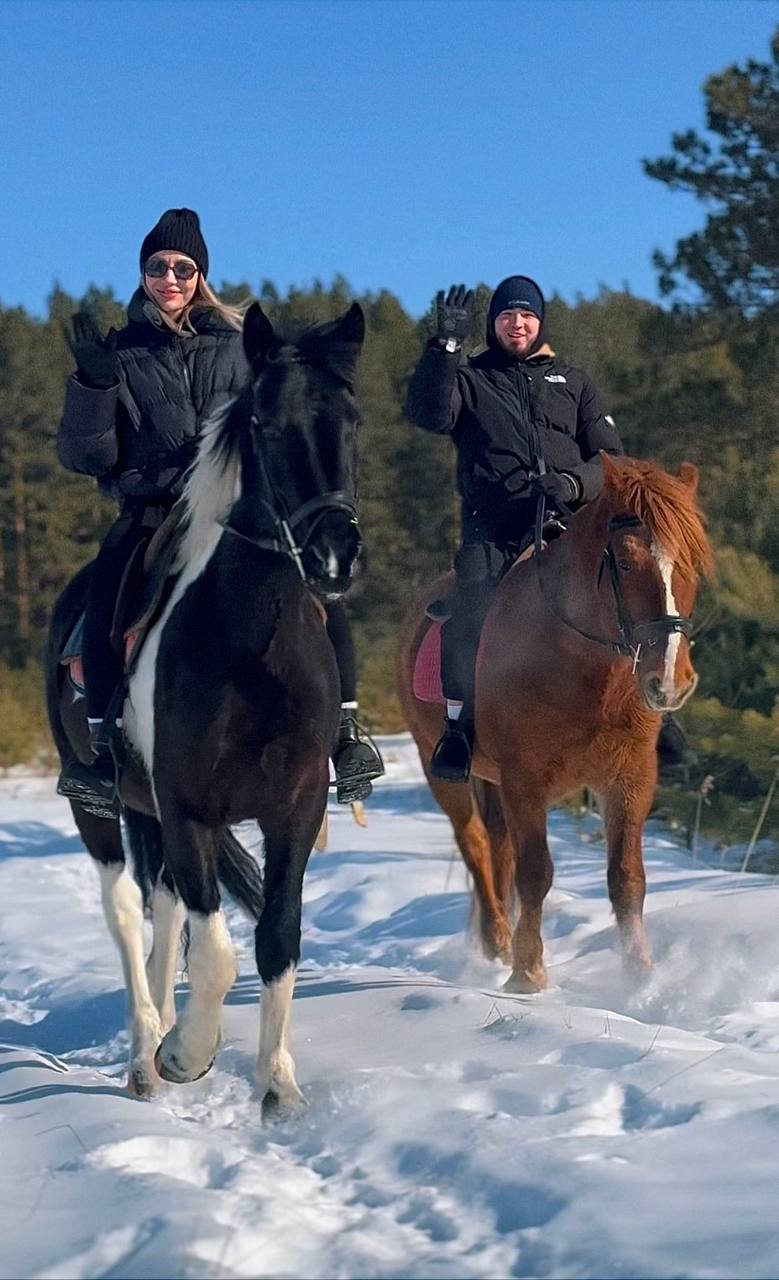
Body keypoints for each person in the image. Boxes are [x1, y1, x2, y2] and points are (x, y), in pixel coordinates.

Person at [56, 207, 382, 815]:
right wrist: (93, 386)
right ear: (143, 274)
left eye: (183, 267)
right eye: (157, 267)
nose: (170, 278)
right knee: (105, 588)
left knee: (319, 588)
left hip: (234, 509)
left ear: (200, 274)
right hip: (154, 509)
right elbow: (87, 456)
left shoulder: (236, 348)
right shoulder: (119, 353)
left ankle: (344, 733)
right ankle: (102, 749)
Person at [405, 276, 691, 783]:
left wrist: (570, 483)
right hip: (494, 527)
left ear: (541, 323)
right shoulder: (470, 380)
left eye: (528, 316)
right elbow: (427, 413)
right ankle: (458, 728)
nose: (519, 324)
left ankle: (657, 724)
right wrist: (444, 347)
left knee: (633, 590)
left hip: (570, 522)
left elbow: (613, 460)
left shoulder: (573, 382)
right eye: (508, 316)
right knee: (470, 608)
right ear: (493, 324)